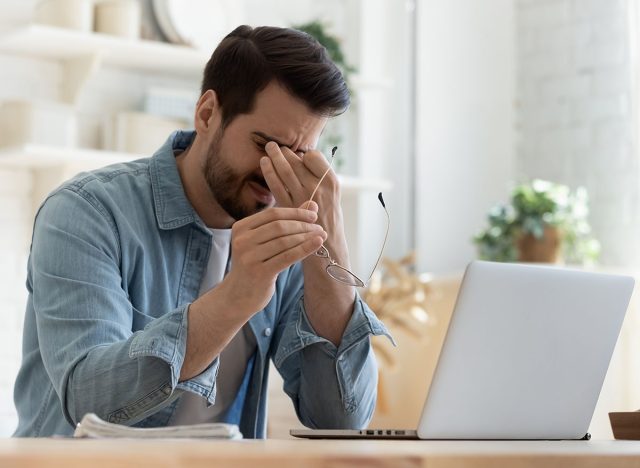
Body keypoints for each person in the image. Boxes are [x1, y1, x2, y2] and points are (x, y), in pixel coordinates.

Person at [13, 25, 391, 438]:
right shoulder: (86, 212)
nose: (275, 172)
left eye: (298, 155)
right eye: (265, 145)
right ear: (207, 113)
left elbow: (342, 420)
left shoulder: (292, 238)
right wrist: (238, 294)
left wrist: (330, 250)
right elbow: (90, 401)